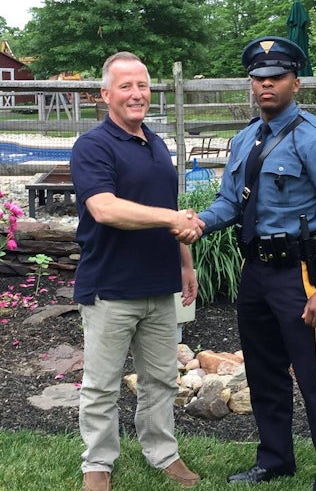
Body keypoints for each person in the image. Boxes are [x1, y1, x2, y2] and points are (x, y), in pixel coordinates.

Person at [181, 36, 316, 491]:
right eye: (259, 78)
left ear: (295, 82)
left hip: (300, 275)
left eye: (276, 77)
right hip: (256, 273)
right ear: (251, 84)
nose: (266, 85)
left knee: (314, 380)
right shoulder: (244, 139)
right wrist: (200, 222)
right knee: (263, 373)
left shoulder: (315, 139)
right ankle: (276, 459)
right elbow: (229, 203)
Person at [70, 52, 204, 491]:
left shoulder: (157, 143)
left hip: (160, 285)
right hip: (110, 287)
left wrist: (185, 264)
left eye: (143, 85)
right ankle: (98, 464)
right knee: (101, 386)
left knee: (161, 380)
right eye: (125, 86)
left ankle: (162, 452)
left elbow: (171, 211)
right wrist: (171, 220)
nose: (136, 94)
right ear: (106, 94)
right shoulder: (93, 146)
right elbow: (104, 209)